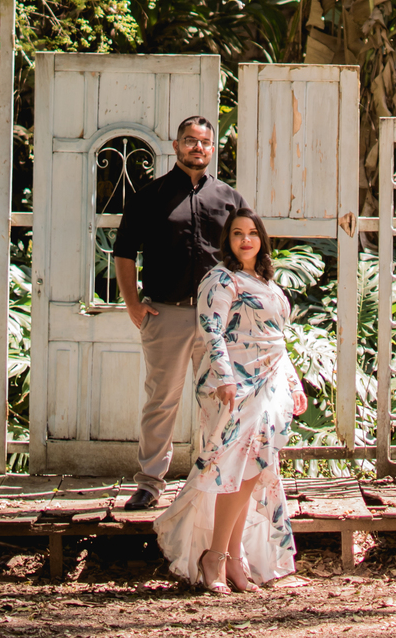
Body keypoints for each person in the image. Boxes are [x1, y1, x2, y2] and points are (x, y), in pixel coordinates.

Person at [153, 209, 307, 592]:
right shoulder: (221, 279)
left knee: (252, 467)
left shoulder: (267, 282)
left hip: (271, 383)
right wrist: (225, 378)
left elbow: (278, 339)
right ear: (228, 241)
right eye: (237, 233)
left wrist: (294, 382)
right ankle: (215, 557)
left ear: (262, 239)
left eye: (253, 233)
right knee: (236, 464)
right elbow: (211, 330)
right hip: (236, 382)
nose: (246, 240)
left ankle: (232, 560)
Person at [113, 114, 250, 510]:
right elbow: (124, 252)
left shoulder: (229, 199)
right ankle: (151, 483)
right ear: (175, 146)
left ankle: (215, 480)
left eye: (205, 142)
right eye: (190, 140)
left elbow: (247, 249)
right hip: (165, 313)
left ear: (212, 148)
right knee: (161, 400)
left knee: (220, 398)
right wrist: (132, 303)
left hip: (218, 321)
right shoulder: (150, 197)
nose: (198, 148)